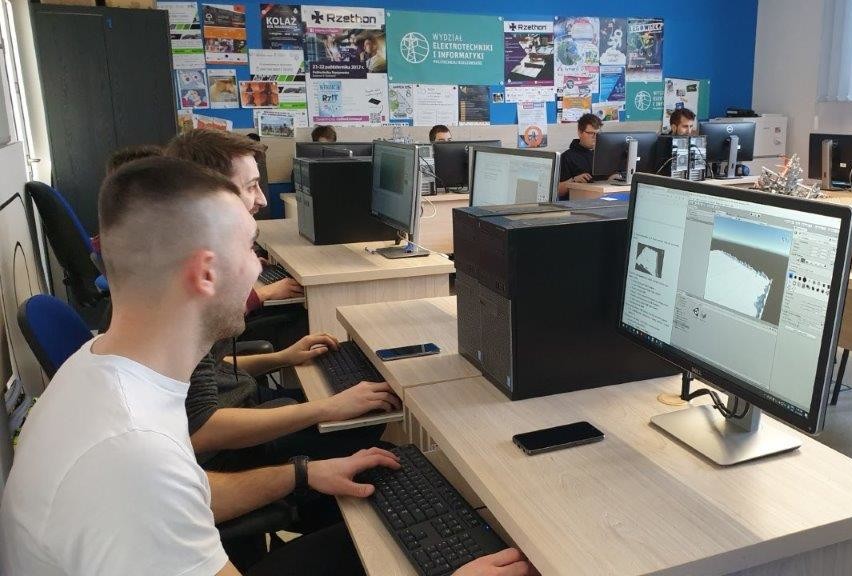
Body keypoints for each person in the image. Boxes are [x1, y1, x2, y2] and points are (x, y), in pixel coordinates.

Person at [0, 156, 535, 576]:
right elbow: (154, 487)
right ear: (205, 273)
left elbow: (188, 493)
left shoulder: (95, 368)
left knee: (365, 535)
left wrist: (304, 473)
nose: (259, 267)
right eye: (250, 248)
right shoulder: (130, 453)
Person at [165, 129, 304, 309]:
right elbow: (218, 315)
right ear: (209, 195)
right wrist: (263, 293)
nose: (263, 200)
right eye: (251, 186)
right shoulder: (191, 261)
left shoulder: (183, 242)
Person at [557, 113, 603, 199]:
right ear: (580, 132)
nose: (595, 137)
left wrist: (615, 176)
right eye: (591, 133)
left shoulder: (603, 155)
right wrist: (574, 180)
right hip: (577, 201)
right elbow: (557, 191)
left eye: (598, 133)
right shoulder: (567, 157)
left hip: (603, 198)